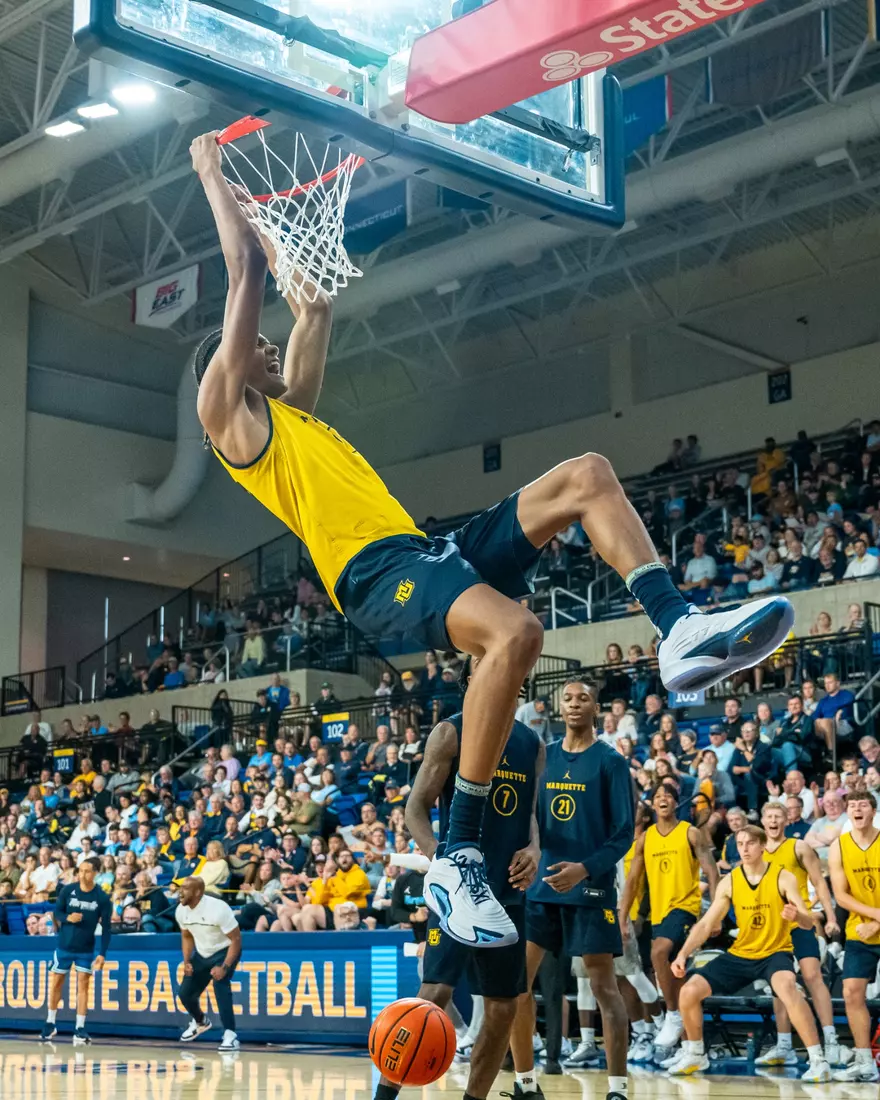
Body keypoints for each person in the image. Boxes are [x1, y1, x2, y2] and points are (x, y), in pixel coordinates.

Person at [189, 127, 795, 948]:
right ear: (222, 370)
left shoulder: (294, 412)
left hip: (425, 553)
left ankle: (679, 629)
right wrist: (215, 178)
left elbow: (316, 303)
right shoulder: (230, 421)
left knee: (587, 474)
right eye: (249, 345)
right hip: (374, 579)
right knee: (517, 631)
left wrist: (283, 223)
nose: (265, 345)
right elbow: (245, 277)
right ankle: (461, 853)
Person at [373, 656, 542, 1100]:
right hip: (457, 894)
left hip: (506, 892)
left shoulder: (533, 743)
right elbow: (415, 807)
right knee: (434, 993)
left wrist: (534, 849)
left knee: (504, 1007)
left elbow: (531, 814)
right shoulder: (450, 731)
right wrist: (439, 858)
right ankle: (385, 1096)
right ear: (471, 679)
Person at [509, 680, 634, 1100]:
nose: (575, 704)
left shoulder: (611, 762)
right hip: (542, 890)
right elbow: (531, 818)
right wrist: (530, 850)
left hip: (589, 890)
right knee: (516, 985)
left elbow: (623, 836)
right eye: (568, 698)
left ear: (596, 707)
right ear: (559, 708)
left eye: (583, 698)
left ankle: (617, 1089)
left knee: (604, 987)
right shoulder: (544, 758)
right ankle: (526, 1084)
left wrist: (584, 869)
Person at [666, 826, 831, 1082]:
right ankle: (696, 1053)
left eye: (750, 843)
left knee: (787, 987)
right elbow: (707, 923)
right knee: (688, 991)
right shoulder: (730, 880)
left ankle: (818, 1059)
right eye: (740, 844)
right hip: (742, 953)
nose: (744, 848)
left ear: (762, 846)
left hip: (776, 952)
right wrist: (683, 954)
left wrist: (796, 915)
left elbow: (808, 922)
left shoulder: (782, 877)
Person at [619, 783, 718, 1056]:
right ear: (652, 805)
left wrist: (715, 915)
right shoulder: (646, 838)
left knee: (658, 952)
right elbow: (632, 882)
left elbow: (711, 871)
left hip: (686, 908)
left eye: (668, 796)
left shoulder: (691, 833)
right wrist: (622, 916)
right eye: (658, 797)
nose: (663, 800)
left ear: (676, 803)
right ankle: (690, 1048)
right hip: (659, 914)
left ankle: (671, 1014)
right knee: (677, 978)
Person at [757, 803, 843, 1068]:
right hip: (772, 929)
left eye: (778, 816)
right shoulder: (756, 851)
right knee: (779, 986)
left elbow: (819, 882)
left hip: (800, 924)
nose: (773, 820)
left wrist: (829, 918)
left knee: (812, 976)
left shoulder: (799, 847)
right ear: (762, 820)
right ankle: (785, 1046)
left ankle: (831, 1041)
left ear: (786, 820)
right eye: (769, 816)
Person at [828, 789, 880, 1081]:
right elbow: (841, 895)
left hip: (872, 924)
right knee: (851, 992)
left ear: (873, 811)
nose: (858, 809)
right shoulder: (839, 846)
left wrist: (877, 921)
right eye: (853, 805)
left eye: (863, 804)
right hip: (859, 930)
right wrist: (875, 917)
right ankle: (864, 1062)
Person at [42, 858, 112, 1045]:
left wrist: (102, 953)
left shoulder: (102, 898)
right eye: (80, 871)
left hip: (86, 949)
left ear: (95, 873)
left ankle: (80, 1028)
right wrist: (68, 918)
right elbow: (56, 913)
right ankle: (50, 1022)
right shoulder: (67, 890)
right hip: (64, 946)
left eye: (87, 871)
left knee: (83, 986)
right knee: (56, 983)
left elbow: (106, 929)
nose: (83, 874)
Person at [175, 876, 242, 1052]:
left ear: (198, 892)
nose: (180, 891)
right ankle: (200, 1021)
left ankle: (230, 1034)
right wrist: (187, 961)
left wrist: (225, 967)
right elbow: (187, 936)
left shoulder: (217, 908)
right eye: (181, 887)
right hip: (202, 953)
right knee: (185, 993)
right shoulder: (181, 911)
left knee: (220, 984)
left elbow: (236, 939)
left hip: (224, 950)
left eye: (185, 888)